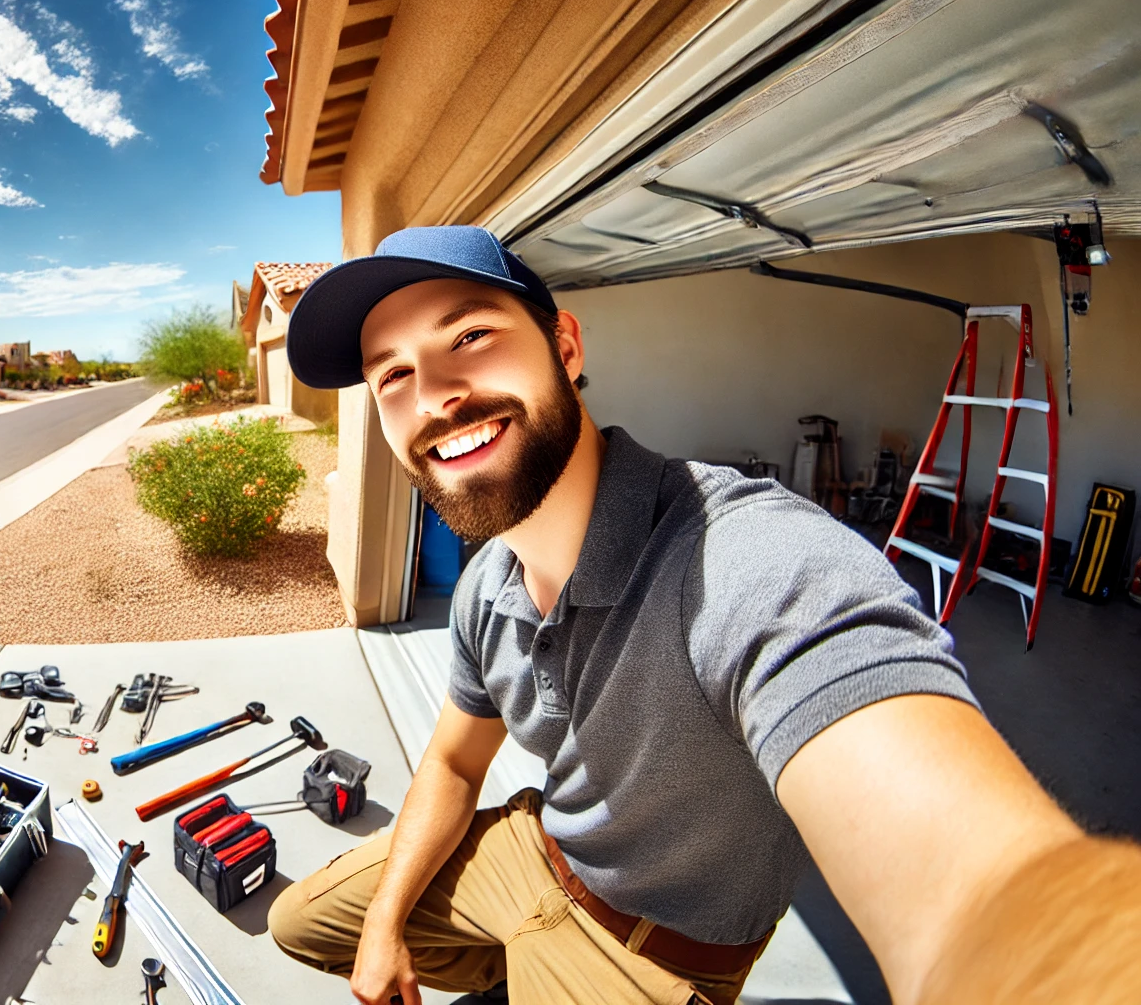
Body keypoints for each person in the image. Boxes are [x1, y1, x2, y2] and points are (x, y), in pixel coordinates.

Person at [265, 225, 1141, 1005]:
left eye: (471, 336)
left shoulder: (745, 557)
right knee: (303, 923)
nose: (436, 396)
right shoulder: (487, 584)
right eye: (394, 377)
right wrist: (385, 921)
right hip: (535, 858)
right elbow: (456, 767)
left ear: (565, 345)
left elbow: (983, 900)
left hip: (650, 958)